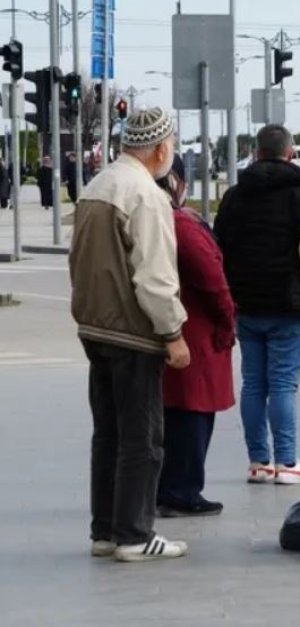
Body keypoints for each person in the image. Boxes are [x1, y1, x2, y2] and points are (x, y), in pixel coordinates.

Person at [68, 107, 191, 562]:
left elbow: (76, 260)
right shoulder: (146, 195)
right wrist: (173, 332)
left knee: (109, 435)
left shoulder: (96, 186)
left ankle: (106, 531)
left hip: (94, 327)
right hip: (134, 334)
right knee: (144, 439)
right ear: (161, 148)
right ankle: (136, 535)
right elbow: (155, 277)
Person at [213, 124, 300, 485]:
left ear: (256, 153)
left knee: (254, 383)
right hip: (289, 303)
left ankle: (258, 462)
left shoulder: (234, 196)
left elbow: (219, 246)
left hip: (245, 302)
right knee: (284, 385)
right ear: (290, 153)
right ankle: (287, 462)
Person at [156, 156, 237, 518]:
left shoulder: (152, 219)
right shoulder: (182, 224)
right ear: (177, 181)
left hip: (173, 328)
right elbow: (212, 279)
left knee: (175, 412)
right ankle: (183, 490)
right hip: (196, 331)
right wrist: (227, 319)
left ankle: (169, 487)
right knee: (193, 411)